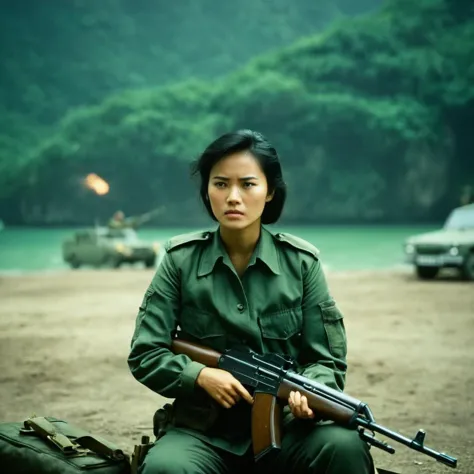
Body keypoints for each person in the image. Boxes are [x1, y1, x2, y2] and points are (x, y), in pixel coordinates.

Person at [127, 130, 374, 474]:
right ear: (207, 191)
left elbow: (326, 359)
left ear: (270, 191)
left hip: (289, 429)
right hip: (201, 433)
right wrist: (199, 376)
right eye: (221, 184)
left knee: (344, 447)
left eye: (247, 184)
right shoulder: (179, 261)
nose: (233, 197)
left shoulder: (302, 263)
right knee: (167, 468)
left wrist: (310, 396)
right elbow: (146, 353)